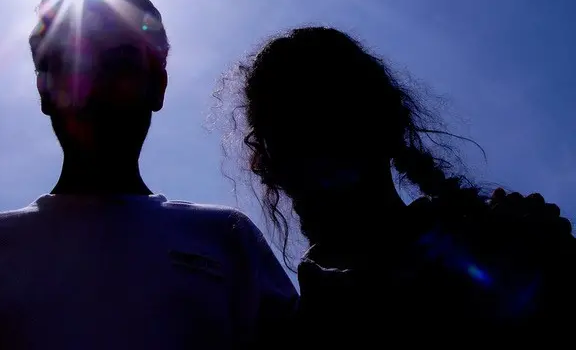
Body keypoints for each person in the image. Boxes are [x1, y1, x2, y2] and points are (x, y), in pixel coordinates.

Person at [0, 0, 297, 349]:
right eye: (69, 64)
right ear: (44, 91)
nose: (91, 84)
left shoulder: (228, 240)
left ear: (158, 85)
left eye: (119, 62)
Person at [216, 26, 576, 341]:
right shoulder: (509, 247)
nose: (288, 171)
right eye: (279, 145)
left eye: (314, 135)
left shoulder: (511, 254)